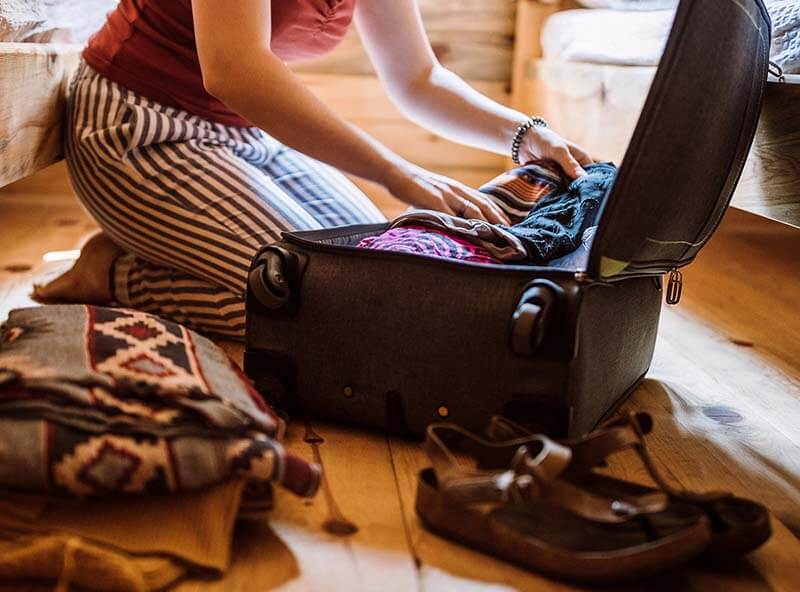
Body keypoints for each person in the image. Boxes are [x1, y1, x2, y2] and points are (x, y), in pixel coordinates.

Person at [36, 0, 592, 339]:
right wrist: (396, 172)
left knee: (380, 281)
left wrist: (522, 132)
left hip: (244, 135)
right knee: (328, 311)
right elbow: (234, 69)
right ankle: (115, 275)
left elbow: (418, 75)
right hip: (137, 126)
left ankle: (156, 248)